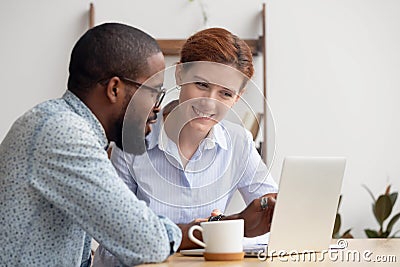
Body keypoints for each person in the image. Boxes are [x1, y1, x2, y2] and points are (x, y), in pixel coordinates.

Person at [0, 23, 182, 266]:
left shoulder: (61, 124)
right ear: (114, 89)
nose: (157, 107)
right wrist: (185, 232)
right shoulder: (63, 132)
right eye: (153, 92)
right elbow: (147, 242)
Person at [94, 27, 278, 265]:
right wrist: (217, 230)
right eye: (201, 84)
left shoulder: (238, 141)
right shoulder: (132, 139)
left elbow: (272, 210)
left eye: (225, 93)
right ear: (180, 74)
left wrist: (269, 211)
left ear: (238, 97)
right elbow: (114, 237)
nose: (209, 102)